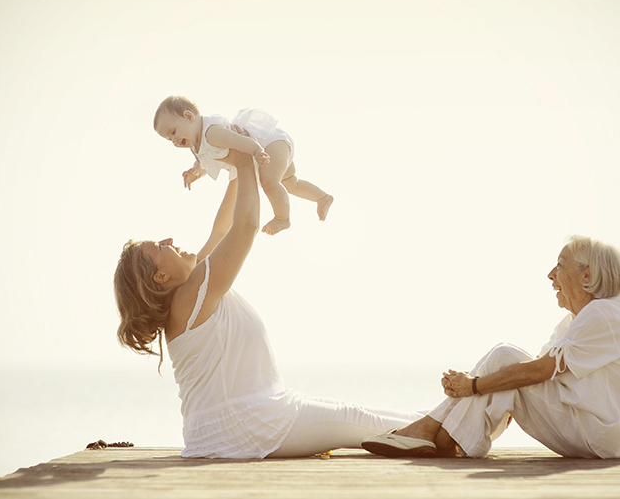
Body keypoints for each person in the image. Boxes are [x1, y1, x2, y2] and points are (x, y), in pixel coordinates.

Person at [114, 148, 418, 459]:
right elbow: (245, 226)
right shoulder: (192, 293)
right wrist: (243, 161)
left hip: (235, 425)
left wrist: (239, 166)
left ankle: (434, 423)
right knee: (358, 418)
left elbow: (222, 230)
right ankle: (439, 428)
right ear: (161, 276)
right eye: (159, 247)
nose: (168, 240)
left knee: (361, 414)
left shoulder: (194, 293)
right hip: (244, 426)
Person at [362, 236, 620, 459]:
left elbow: (538, 372)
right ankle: (440, 437)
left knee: (505, 355)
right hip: (597, 434)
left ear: (586, 276)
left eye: (560, 265)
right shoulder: (579, 321)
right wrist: (484, 387)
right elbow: (531, 373)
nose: (551, 274)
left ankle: (430, 430)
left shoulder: (605, 312)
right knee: (506, 363)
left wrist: (472, 386)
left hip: (598, 435)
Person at [153, 95, 334, 236]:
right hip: (268, 149)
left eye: (173, 132)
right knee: (291, 183)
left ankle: (282, 218)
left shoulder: (211, 132)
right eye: (169, 139)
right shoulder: (196, 146)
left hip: (269, 143)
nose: (174, 140)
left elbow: (236, 140)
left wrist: (257, 151)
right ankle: (322, 198)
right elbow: (204, 164)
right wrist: (195, 173)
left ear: (189, 116)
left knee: (269, 182)